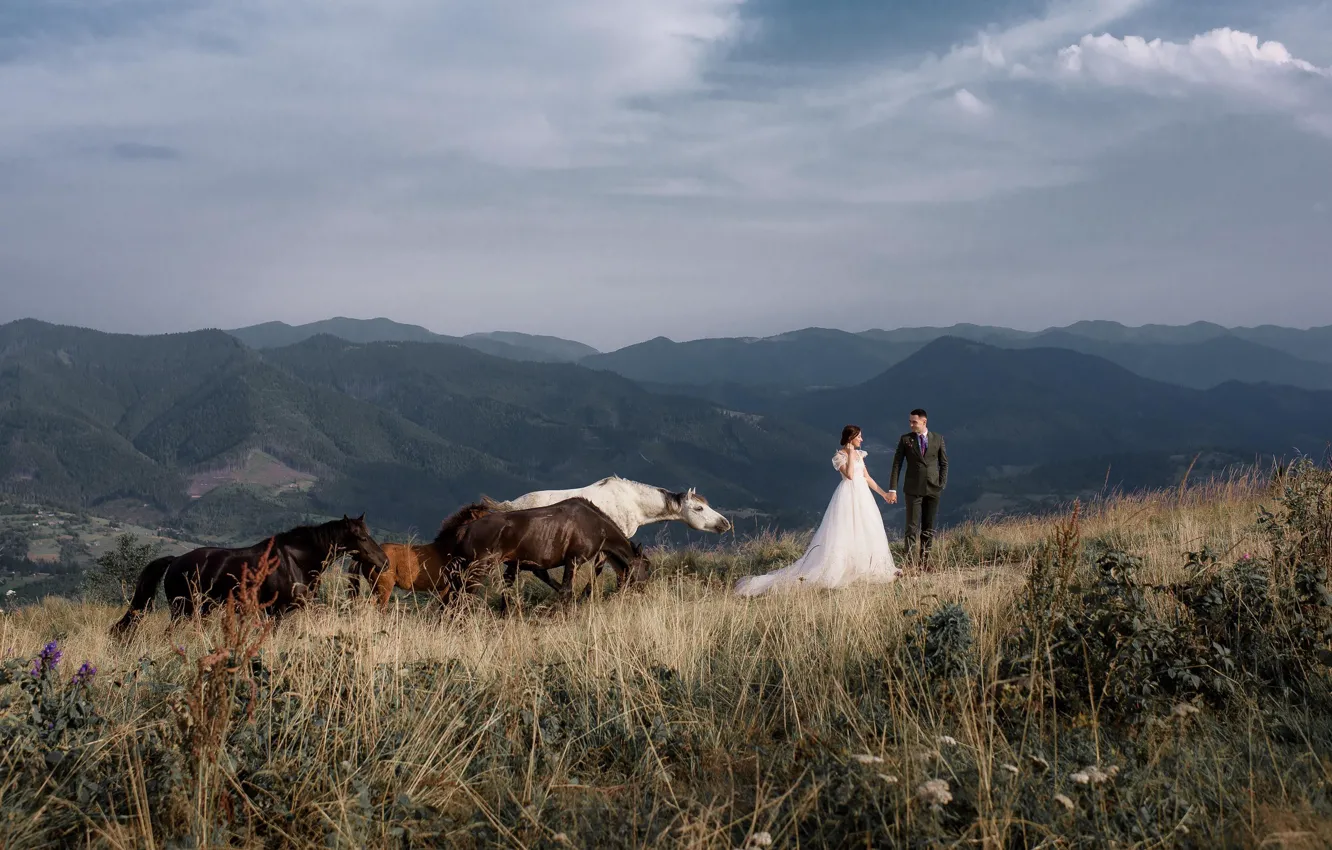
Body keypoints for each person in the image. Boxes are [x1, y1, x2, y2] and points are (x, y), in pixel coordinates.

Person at [735, 425, 898, 596]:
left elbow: (866, 477)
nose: (862, 440)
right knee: (845, 530)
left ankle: (868, 566)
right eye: (859, 437)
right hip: (848, 495)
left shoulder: (860, 455)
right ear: (851, 438)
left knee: (867, 527)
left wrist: (883, 494)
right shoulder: (839, 457)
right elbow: (849, 475)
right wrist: (849, 454)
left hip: (863, 495)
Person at [888, 408, 948, 565]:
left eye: (914, 422)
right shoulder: (905, 439)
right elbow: (897, 464)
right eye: (910, 422)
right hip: (913, 489)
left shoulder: (938, 438)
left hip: (933, 488)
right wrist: (892, 488)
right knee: (911, 528)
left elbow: (943, 463)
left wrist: (941, 483)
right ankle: (909, 563)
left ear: (924, 421)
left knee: (929, 527)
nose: (911, 425)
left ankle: (925, 563)